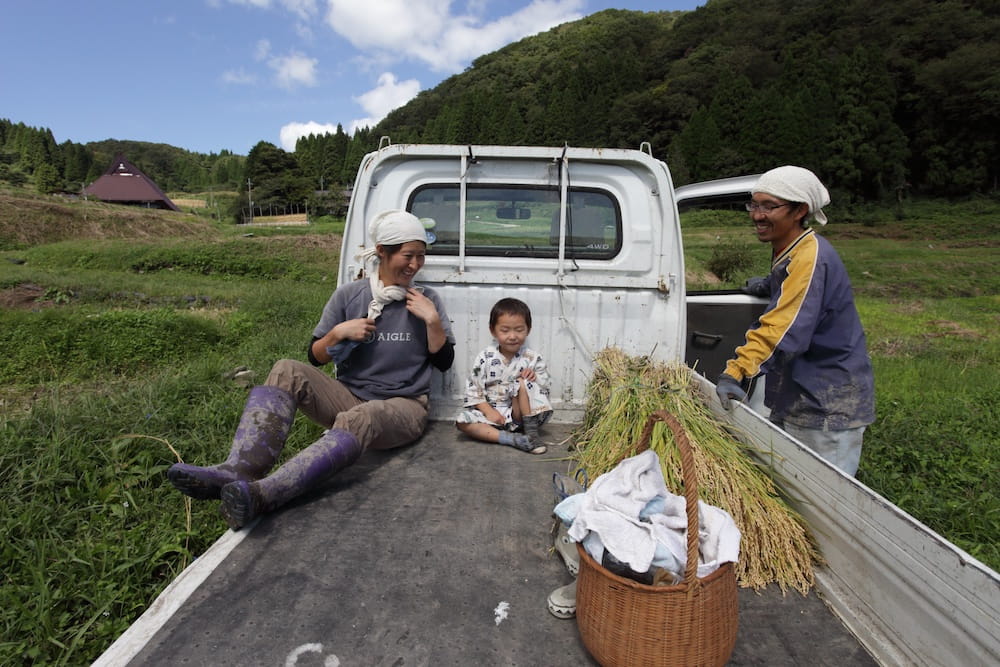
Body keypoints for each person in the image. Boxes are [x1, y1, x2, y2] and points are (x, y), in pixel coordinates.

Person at [167, 210, 455, 529]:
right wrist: (337, 334)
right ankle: (239, 469)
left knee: (363, 416)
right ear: (382, 252)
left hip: (405, 407)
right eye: (408, 256)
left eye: (420, 256)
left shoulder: (426, 300)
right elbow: (316, 357)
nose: (415, 265)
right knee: (287, 370)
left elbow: (444, 362)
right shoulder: (350, 295)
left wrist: (432, 320)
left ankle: (265, 494)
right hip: (350, 397)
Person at [715, 166, 875, 476]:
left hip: (827, 401)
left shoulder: (809, 258)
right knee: (786, 484)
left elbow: (782, 331)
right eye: (754, 204)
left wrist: (737, 372)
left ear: (800, 210)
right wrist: (770, 283)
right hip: (801, 388)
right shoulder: (792, 249)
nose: (757, 215)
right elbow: (792, 286)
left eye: (768, 206)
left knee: (820, 495)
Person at [455, 297, 553, 455]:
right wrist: (489, 412)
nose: (512, 336)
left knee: (523, 382)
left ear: (528, 329)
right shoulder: (485, 357)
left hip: (520, 415)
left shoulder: (532, 358)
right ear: (493, 330)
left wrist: (534, 377)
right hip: (493, 416)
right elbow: (474, 389)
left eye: (519, 330)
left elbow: (545, 386)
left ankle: (531, 435)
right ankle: (511, 439)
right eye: (505, 330)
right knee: (462, 422)